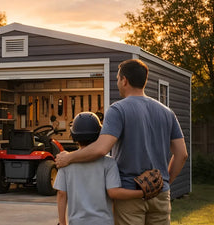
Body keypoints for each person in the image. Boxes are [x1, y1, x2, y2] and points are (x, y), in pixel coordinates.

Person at [55, 59, 188, 225]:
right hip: (160, 193)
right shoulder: (167, 112)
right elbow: (182, 154)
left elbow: (101, 149)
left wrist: (69, 157)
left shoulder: (118, 109)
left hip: (129, 192)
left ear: (124, 80)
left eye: (117, 78)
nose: (117, 82)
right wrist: (163, 183)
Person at [54, 112, 144, 225]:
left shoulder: (66, 162)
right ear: (99, 134)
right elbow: (113, 193)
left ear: (74, 136)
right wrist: (142, 193)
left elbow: (62, 194)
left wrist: (62, 222)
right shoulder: (109, 163)